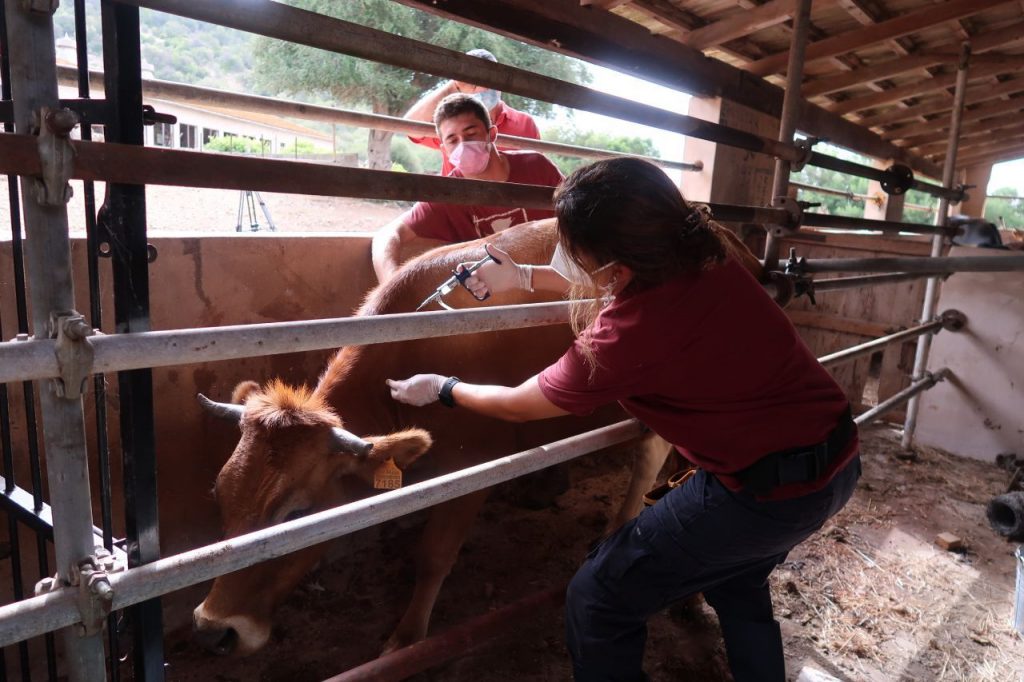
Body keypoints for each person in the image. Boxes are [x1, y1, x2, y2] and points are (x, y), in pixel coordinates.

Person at [386, 157, 861, 681]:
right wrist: (521, 276)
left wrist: (445, 388)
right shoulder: (704, 255)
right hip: (836, 457)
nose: (566, 257)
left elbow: (519, 403)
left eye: (574, 251)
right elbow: (617, 284)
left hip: (762, 495)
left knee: (599, 596)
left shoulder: (626, 336)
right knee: (738, 580)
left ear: (617, 266)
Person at [371, 93, 562, 283]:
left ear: (492, 135)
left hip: (554, 281)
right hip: (501, 294)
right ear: (444, 148)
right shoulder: (449, 193)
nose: (463, 145)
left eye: (471, 134)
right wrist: (392, 281)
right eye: (452, 140)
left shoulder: (536, 166)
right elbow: (386, 236)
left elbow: (579, 210)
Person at [404, 48, 541, 177]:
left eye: (489, 79)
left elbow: (536, 171)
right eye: (472, 82)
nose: (481, 88)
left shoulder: (525, 123)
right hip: (458, 199)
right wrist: (452, 87)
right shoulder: (452, 122)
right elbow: (410, 127)